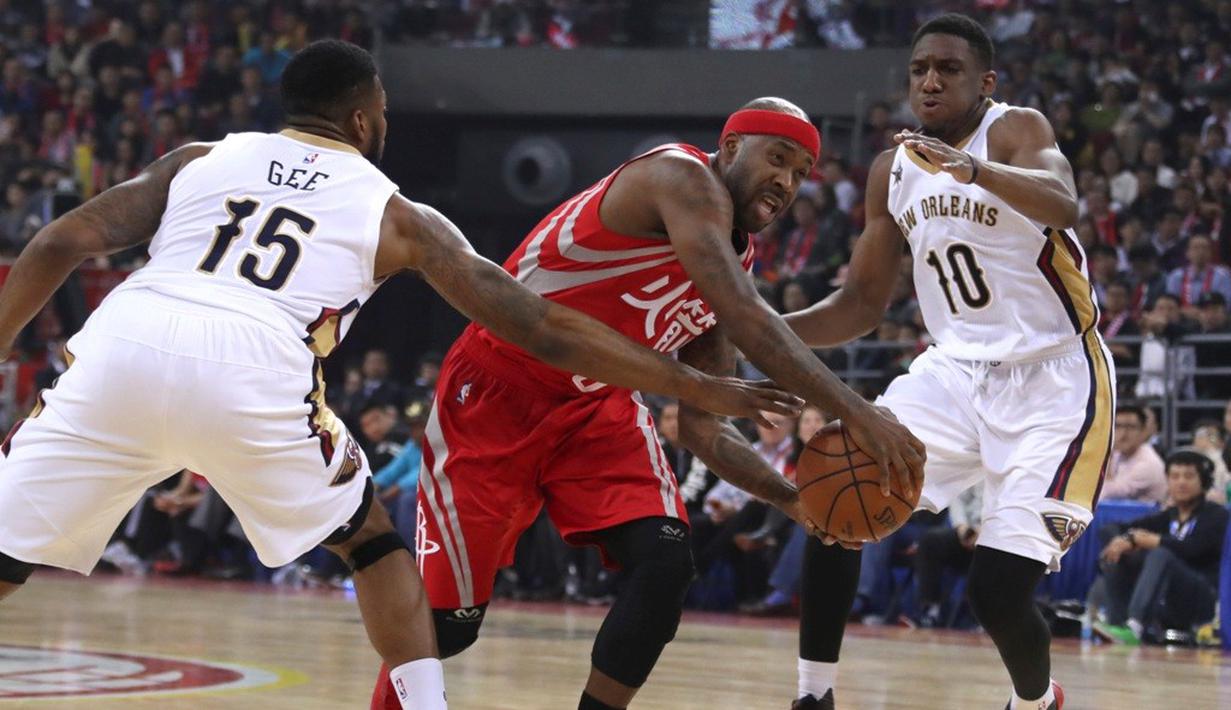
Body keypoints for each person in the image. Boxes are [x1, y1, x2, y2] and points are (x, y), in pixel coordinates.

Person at [0, 40, 802, 710]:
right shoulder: (394, 209)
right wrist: (695, 386)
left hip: (120, 346)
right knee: (375, 549)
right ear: (361, 118)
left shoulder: (199, 158)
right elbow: (534, 324)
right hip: (258, 363)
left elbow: (59, 242)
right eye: (382, 111)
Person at [372, 97, 925, 710]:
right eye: (778, 158)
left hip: (596, 406)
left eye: (801, 173)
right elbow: (747, 318)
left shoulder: (732, 259)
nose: (788, 182)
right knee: (447, 627)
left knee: (664, 564)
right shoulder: (679, 177)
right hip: (499, 392)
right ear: (732, 146)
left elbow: (705, 429)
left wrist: (792, 500)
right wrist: (857, 411)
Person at [783, 15, 1114, 710]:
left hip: (1055, 379)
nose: (929, 81)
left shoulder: (1016, 130)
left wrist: (972, 171)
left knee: (993, 591)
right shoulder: (890, 169)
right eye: (918, 70)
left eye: (948, 69)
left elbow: (1063, 202)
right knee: (833, 502)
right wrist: (760, 331)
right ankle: (813, 696)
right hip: (952, 374)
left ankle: (1034, 702)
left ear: (983, 81)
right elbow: (860, 304)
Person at [1094, 451, 1228, 645]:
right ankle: (1118, 624)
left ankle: (1135, 626)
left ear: (1204, 481)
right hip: (1168, 597)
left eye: (1189, 476)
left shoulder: (1216, 515)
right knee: (1118, 552)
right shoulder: (1168, 516)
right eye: (1175, 476)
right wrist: (1122, 540)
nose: (1181, 482)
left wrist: (1153, 540)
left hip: (1202, 595)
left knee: (1161, 554)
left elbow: (1193, 549)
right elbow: (1110, 529)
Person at [1100, 405, 1167, 504]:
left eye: (1131, 427)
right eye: (1117, 426)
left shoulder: (1148, 463)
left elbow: (1106, 494)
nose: (1123, 434)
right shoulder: (1117, 454)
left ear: (1143, 431)